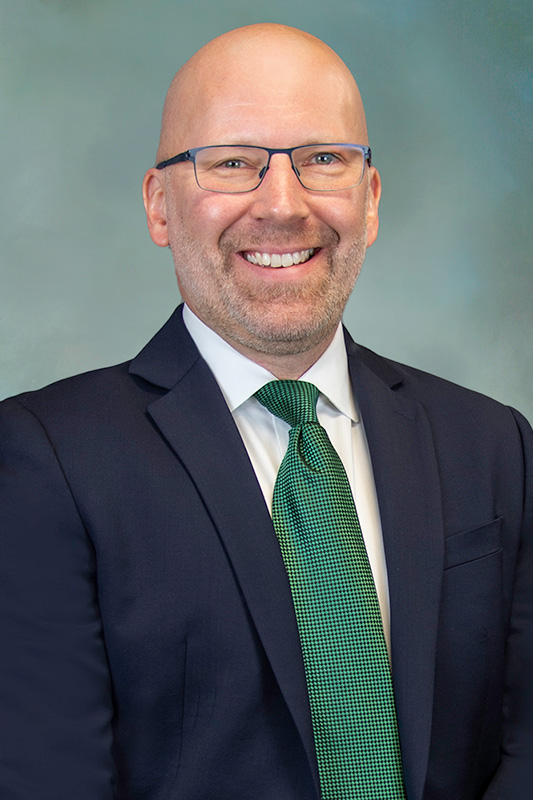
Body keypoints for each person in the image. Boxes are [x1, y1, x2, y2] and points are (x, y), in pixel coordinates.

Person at [0, 22, 531, 800]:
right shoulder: (45, 460)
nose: (282, 206)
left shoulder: (492, 446)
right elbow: (49, 777)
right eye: (232, 163)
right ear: (159, 205)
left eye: (323, 160)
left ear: (369, 200)